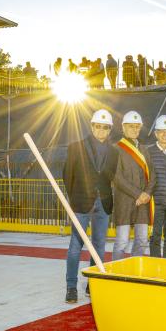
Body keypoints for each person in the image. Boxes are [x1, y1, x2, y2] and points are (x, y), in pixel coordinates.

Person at [62, 109, 116, 303]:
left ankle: (92, 284)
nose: (101, 130)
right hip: (81, 203)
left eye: (105, 127)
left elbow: (110, 176)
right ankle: (71, 287)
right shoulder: (76, 147)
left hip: (104, 203)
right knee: (75, 246)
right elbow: (67, 175)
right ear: (92, 126)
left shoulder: (114, 151)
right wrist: (75, 197)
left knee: (99, 245)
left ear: (110, 129)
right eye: (98, 126)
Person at [112, 111, 155, 260]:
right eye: (131, 126)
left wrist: (147, 193)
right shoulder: (116, 148)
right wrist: (139, 194)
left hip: (143, 203)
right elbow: (117, 177)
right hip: (124, 202)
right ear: (123, 127)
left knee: (142, 240)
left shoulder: (144, 150)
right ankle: (116, 271)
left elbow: (153, 175)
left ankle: (135, 269)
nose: (135, 129)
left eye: (137, 126)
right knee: (122, 242)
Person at [146, 115, 166, 259]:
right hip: (155, 203)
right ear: (156, 133)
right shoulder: (148, 152)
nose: (165, 134)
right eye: (161, 131)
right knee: (155, 236)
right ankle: (155, 266)